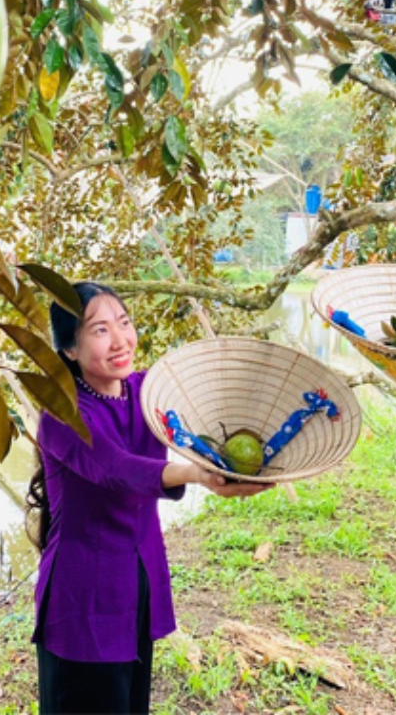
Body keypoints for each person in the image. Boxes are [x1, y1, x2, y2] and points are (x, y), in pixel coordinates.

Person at [26, 282, 266, 715]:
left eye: (124, 322)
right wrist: (197, 473)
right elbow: (116, 468)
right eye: (99, 330)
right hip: (85, 596)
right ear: (69, 350)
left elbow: (204, 398)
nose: (120, 340)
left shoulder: (145, 393)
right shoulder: (61, 413)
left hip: (136, 583)